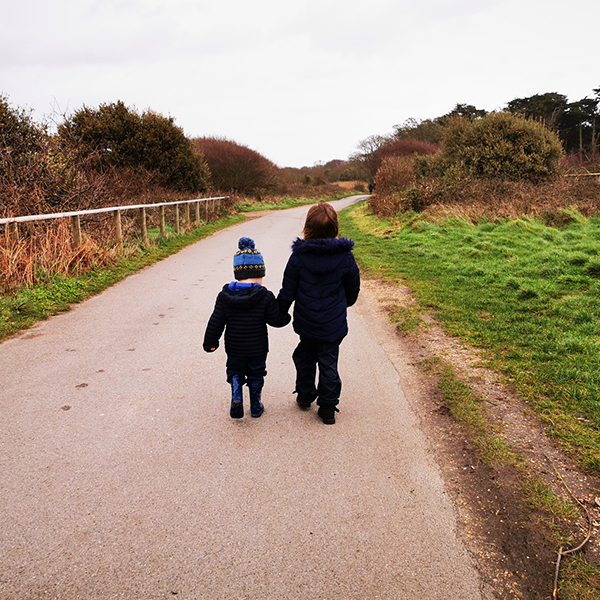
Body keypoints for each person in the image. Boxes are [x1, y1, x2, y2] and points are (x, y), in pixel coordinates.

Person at [277, 201, 360, 425]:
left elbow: (288, 290)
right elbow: (353, 289)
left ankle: (305, 395)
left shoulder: (298, 258)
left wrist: (278, 312)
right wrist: (345, 304)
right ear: (335, 229)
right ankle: (328, 407)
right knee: (328, 361)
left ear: (307, 228)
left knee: (304, 356)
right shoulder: (345, 257)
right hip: (333, 324)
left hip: (307, 323)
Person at [203, 237, 290, 419]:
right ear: (259, 274)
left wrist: (210, 342)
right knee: (256, 373)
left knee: (235, 370)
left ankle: (236, 394)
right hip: (258, 348)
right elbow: (276, 320)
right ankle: (256, 406)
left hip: (234, 347)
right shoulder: (264, 295)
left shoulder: (224, 295)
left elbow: (216, 321)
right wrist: (286, 316)